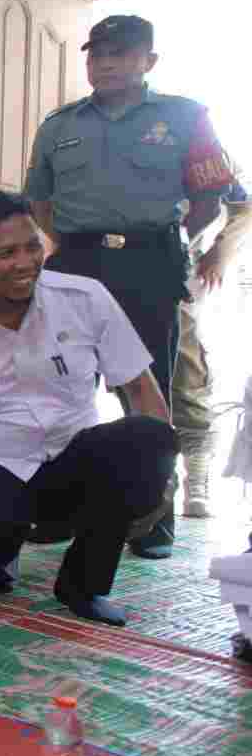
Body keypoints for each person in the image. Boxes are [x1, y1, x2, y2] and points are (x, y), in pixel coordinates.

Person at [24, 14, 238, 559]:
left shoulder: (185, 117)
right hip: (74, 265)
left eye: (121, 53)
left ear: (149, 61)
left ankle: (152, 518)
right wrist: (78, 245)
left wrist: (169, 241)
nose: (107, 63)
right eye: (97, 54)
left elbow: (212, 197)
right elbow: (40, 204)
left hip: (149, 265)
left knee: (148, 393)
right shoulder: (58, 124)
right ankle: (55, 510)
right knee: (58, 386)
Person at [0, 191, 176, 627]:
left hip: (74, 460)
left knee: (149, 438)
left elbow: (141, 388)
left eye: (33, 246)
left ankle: (84, 585)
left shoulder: (83, 297)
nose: (26, 263)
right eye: (6, 253)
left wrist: (160, 474)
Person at [174, 178, 248, 517]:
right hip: (112, 264)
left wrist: (221, 249)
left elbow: (243, 206)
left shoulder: (202, 141)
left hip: (184, 267)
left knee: (186, 365)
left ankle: (196, 479)